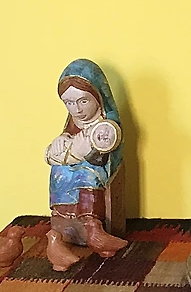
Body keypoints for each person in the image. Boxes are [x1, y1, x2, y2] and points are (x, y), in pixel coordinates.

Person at [44, 59, 128, 269]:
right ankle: (62, 225)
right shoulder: (74, 122)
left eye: (83, 101)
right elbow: (63, 150)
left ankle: (92, 224)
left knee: (87, 174)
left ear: (98, 96)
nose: (77, 109)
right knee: (58, 172)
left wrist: (82, 152)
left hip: (96, 168)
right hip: (73, 161)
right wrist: (63, 141)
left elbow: (105, 153)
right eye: (69, 103)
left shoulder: (105, 124)